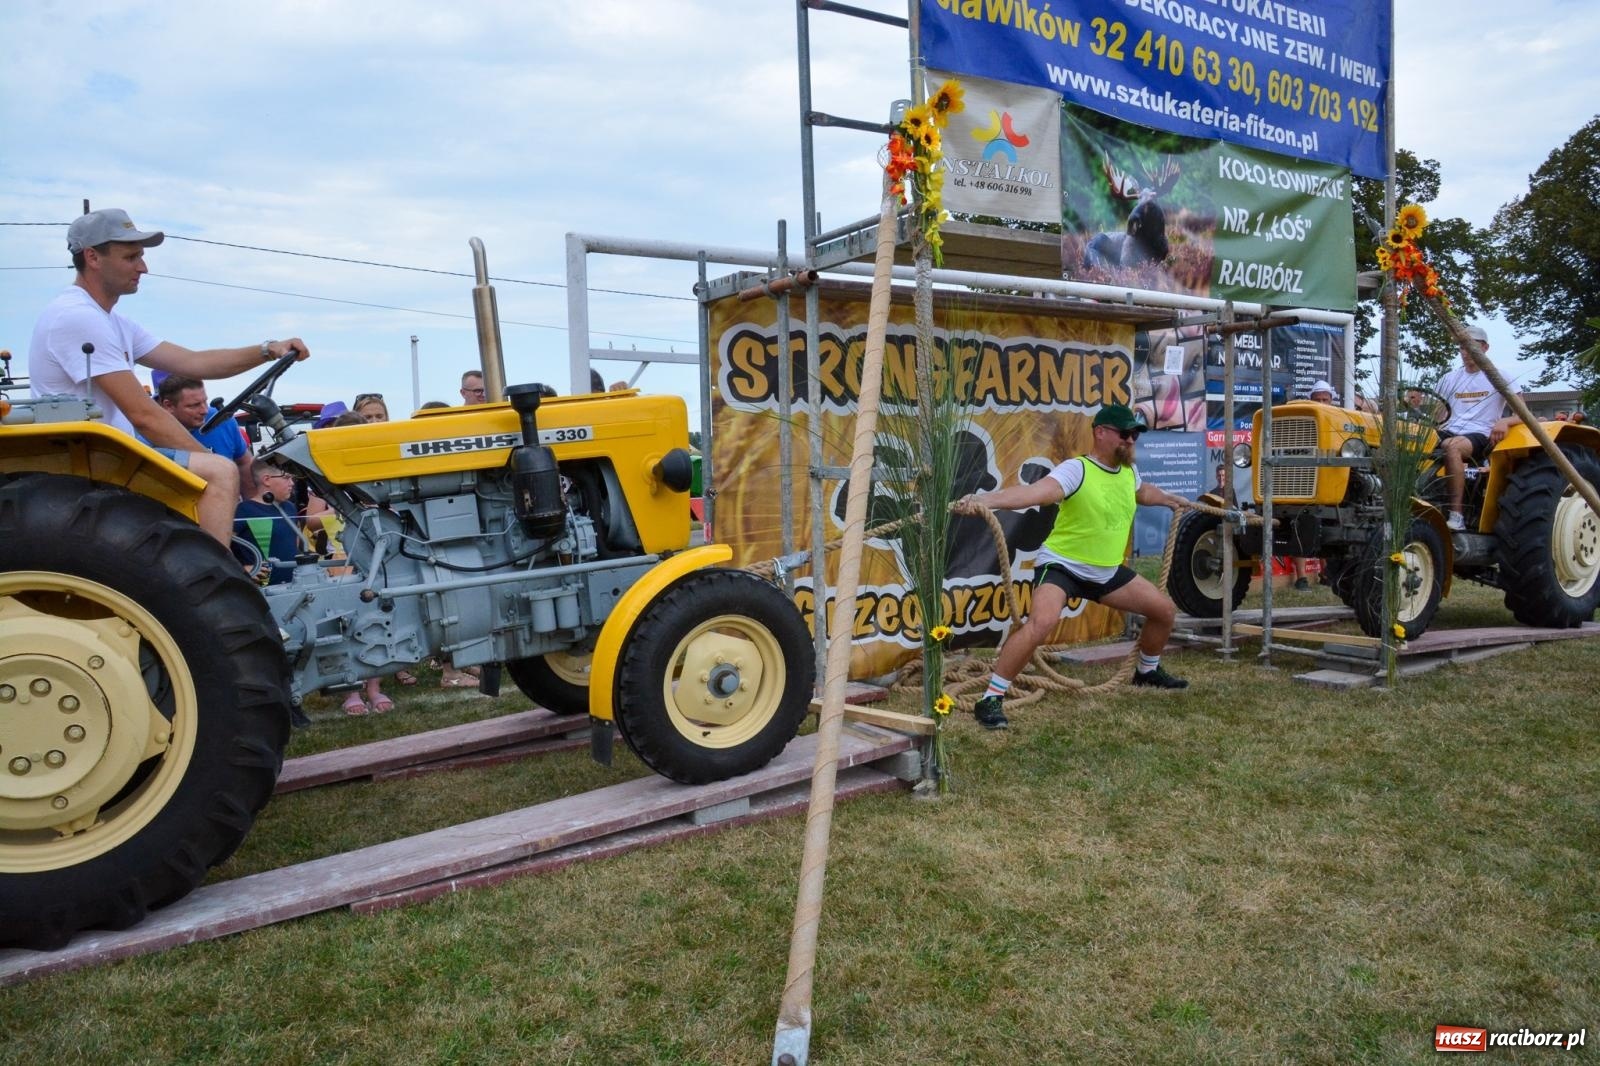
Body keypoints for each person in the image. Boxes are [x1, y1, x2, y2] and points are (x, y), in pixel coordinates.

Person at [28, 208, 309, 546]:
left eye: (141, 257)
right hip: (94, 460)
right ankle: (211, 588)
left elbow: (193, 361)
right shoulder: (78, 317)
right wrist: (212, 461)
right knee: (219, 472)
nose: (143, 267)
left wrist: (267, 349)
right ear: (93, 257)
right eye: (131, 257)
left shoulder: (110, 321)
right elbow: (144, 415)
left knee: (216, 470)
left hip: (106, 455)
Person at [957, 403, 1191, 730]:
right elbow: (1034, 493)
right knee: (1041, 623)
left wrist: (1168, 498)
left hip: (1107, 572)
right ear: (1100, 433)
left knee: (1164, 611)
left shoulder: (1128, 472)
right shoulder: (1076, 470)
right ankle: (991, 697)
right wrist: (985, 501)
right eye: (1125, 434)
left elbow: (1141, 492)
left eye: (1135, 435)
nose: (1131, 440)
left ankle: (1147, 672)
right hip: (1062, 567)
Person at [1435, 325, 1516, 531]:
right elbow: (1436, 415)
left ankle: (1457, 515)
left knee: (1452, 446)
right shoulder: (1448, 378)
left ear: (1485, 348)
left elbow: (1524, 414)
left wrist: (1505, 421)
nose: (1465, 352)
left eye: (1471, 346)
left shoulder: (1499, 376)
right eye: (1462, 347)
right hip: (1449, 429)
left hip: (1480, 434)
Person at [156, 373, 256, 498]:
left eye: (205, 402)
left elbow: (245, 463)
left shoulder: (222, 420)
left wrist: (252, 508)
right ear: (169, 406)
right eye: (194, 405)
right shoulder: (144, 432)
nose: (204, 410)